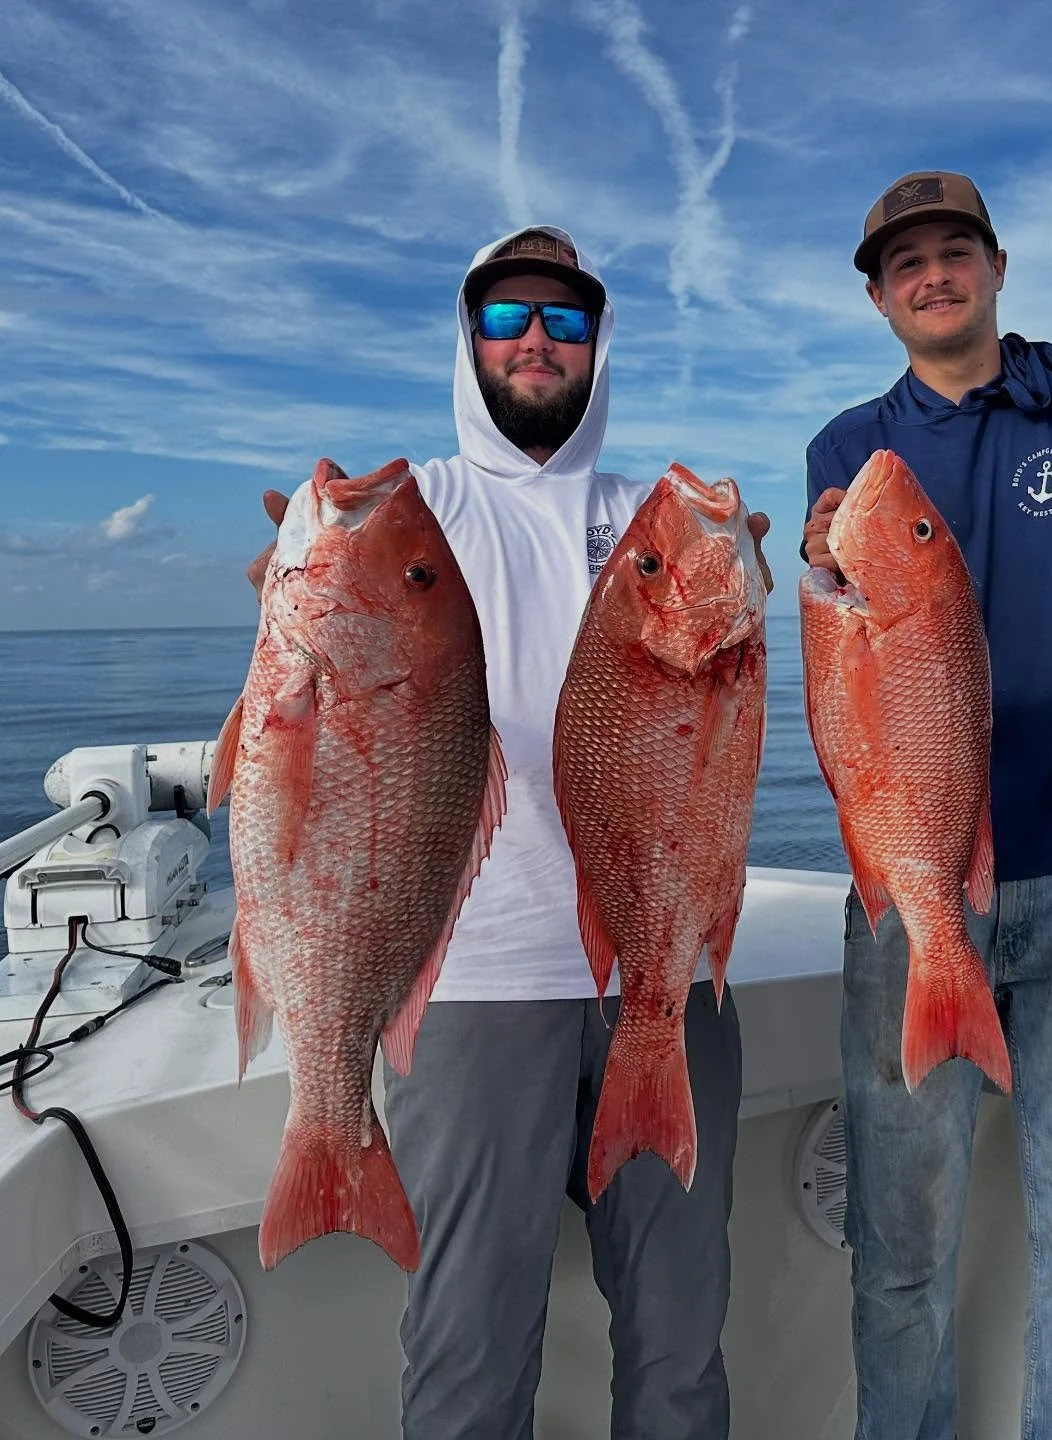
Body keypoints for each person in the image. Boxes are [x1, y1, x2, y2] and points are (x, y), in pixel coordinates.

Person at [248, 225, 771, 1440]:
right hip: (473, 979)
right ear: (468, 338)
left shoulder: (649, 523)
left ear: (597, 346)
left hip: (666, 972)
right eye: (506, 317)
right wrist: (290, 603)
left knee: (681, 1349)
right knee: (469, 1364)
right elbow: (322, 710)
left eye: (566, 320)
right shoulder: (417, 515)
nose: (537, 340)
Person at [802, 173, 1052, 1440]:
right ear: (880, 293)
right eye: (907, 263)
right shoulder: (850, 451)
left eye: (956, 252)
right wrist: (807, 575)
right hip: (908, 891)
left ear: (998, 267)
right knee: (898, 1256)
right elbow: (838, 662)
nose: (934, 276)